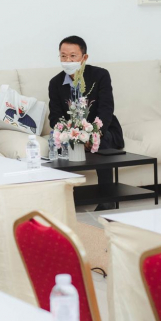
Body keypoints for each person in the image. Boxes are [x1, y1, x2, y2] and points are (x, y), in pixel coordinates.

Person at [48, 36, 124, 208]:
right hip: (72, 133)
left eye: (73, 56)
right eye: (63, 56)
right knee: (54, 144)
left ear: (84, 57)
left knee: (102, 143)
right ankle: (62, 201)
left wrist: (92, 135)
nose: (68, 61)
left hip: (102, 130)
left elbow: (106, 110)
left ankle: (107, 200)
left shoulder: (100, 75)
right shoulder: (55, 83)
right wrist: (71, 135)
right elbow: (55, 117)